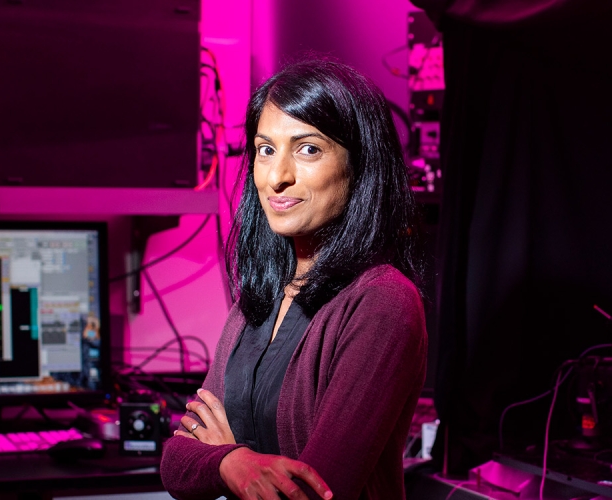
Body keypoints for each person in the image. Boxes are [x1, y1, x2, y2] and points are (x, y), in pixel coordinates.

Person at [160, 56, 428, 500]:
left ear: (360, 165)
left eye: (308, 149)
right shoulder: (259, 299)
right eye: (266, 150)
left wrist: (220, 455)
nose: (277, 177)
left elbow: (311, 493)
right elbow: (174, 462)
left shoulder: (383, 302)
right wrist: (233, 462)